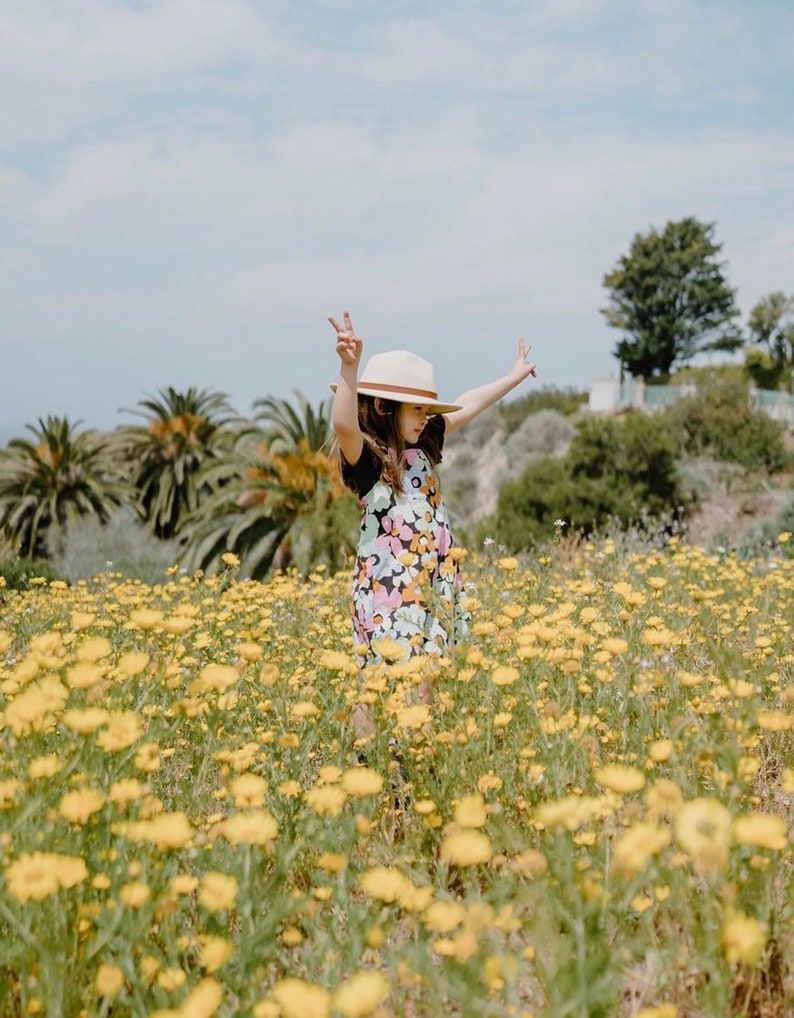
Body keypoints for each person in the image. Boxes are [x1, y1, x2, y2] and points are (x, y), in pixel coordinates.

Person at [330, 310, 537, 674]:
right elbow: (344, 423)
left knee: (431, 671)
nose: (425, 418)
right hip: (387, 589)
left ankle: (418, 733)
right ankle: (366, 736)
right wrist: (350, 367)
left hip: (435, 583)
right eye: (417, 410)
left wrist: (513, 378)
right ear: (382, 407)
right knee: (375, 676)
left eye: (427, 410)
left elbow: (468, 404)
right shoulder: (369, 460)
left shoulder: (424, 442)